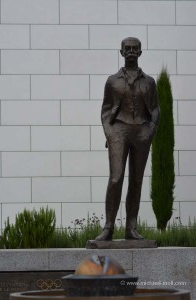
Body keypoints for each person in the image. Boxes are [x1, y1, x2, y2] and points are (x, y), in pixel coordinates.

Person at [96, 37, 160, 241]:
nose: (131, 52)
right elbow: (106, 110)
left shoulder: (149, 82)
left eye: (135, 49)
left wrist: (151, 129)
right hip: (119, 130)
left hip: (142, 130)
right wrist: (109, 132)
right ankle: (108, 227)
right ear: (122, 52)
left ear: (140, 52)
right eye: (128, 49)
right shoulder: (112, 81)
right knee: (116, 178)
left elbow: (155, 108)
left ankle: (131, 227)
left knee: (137, 180)